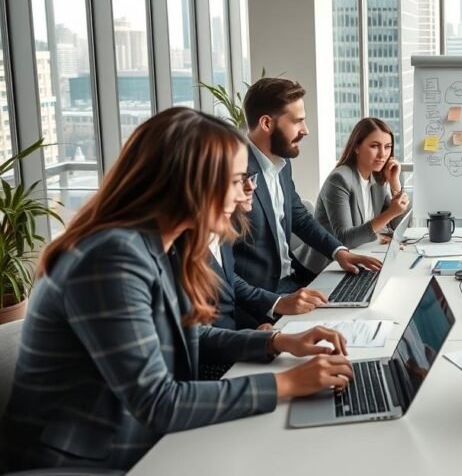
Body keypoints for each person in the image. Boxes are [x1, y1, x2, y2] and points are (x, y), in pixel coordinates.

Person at [0, 108, 358, 472]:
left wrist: (274, 342)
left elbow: (184, 335)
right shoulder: (110, 259)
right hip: (87, 462)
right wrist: (286, 383)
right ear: (192, 184)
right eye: (236, 181)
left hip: (137, 442)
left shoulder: (156, 246)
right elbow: (158, 402)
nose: (245, 193)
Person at [234, 77, 381, 294]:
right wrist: (273, 304)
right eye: (297, 121)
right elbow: (222, 268)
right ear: (267, 123)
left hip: (292, 282)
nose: (306, 130)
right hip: (259, 300)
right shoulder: (235, 174)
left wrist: (339, 252)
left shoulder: (282, 164)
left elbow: (299, 218)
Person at [208, 166, 328, 333]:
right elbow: (201, 336)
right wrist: (257, 340)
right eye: (238, 179)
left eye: (250, 177)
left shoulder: (220, 232)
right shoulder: (179, 247)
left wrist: (260, 333)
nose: (252, 186)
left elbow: (227, 283)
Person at [295, 117, 410, 275]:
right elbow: (344, 239)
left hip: (359, 256)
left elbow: (397, 227)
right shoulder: (340, 179)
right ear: (357, 147)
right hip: (324, 268)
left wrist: (394, 183)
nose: (382, 154)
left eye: (388, 146)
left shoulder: (378, 178)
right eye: (374, 146)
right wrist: (390, 213)